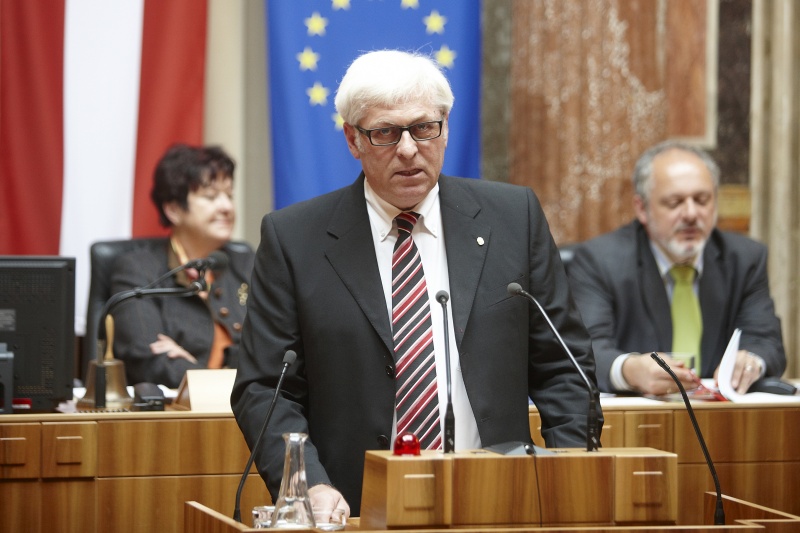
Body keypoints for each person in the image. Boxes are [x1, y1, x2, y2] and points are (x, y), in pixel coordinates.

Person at [231, 50, 601, 520]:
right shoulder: (294, 239)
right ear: (352, 139)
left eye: (424, 128)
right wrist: (309, 485)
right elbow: (266, 388)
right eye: (385, 133)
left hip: (499, 501)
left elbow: (565, 367)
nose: (408, 149)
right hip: (353, 508)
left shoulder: (513, 217)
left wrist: (569, 475)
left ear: (445, 128)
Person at [567, 140, 786, 396]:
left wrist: (751, 362)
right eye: (675, 202)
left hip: (719, 414)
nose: (691, 214)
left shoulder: (745, 259)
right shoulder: (599, 261)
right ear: (642, 208)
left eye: (702, 200)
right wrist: (630, 370)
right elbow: (584, 350)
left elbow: (767, 342)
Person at [110, 144, 255, 389]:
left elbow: (272, 354)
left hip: (247, 408)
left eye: (229, 196)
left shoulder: (248, 264)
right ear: (174, 209)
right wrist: (219, 382)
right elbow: (145, 357)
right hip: (177, 411)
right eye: (211, 197)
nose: (227, 207)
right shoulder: (139, 269)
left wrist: (194, 370)